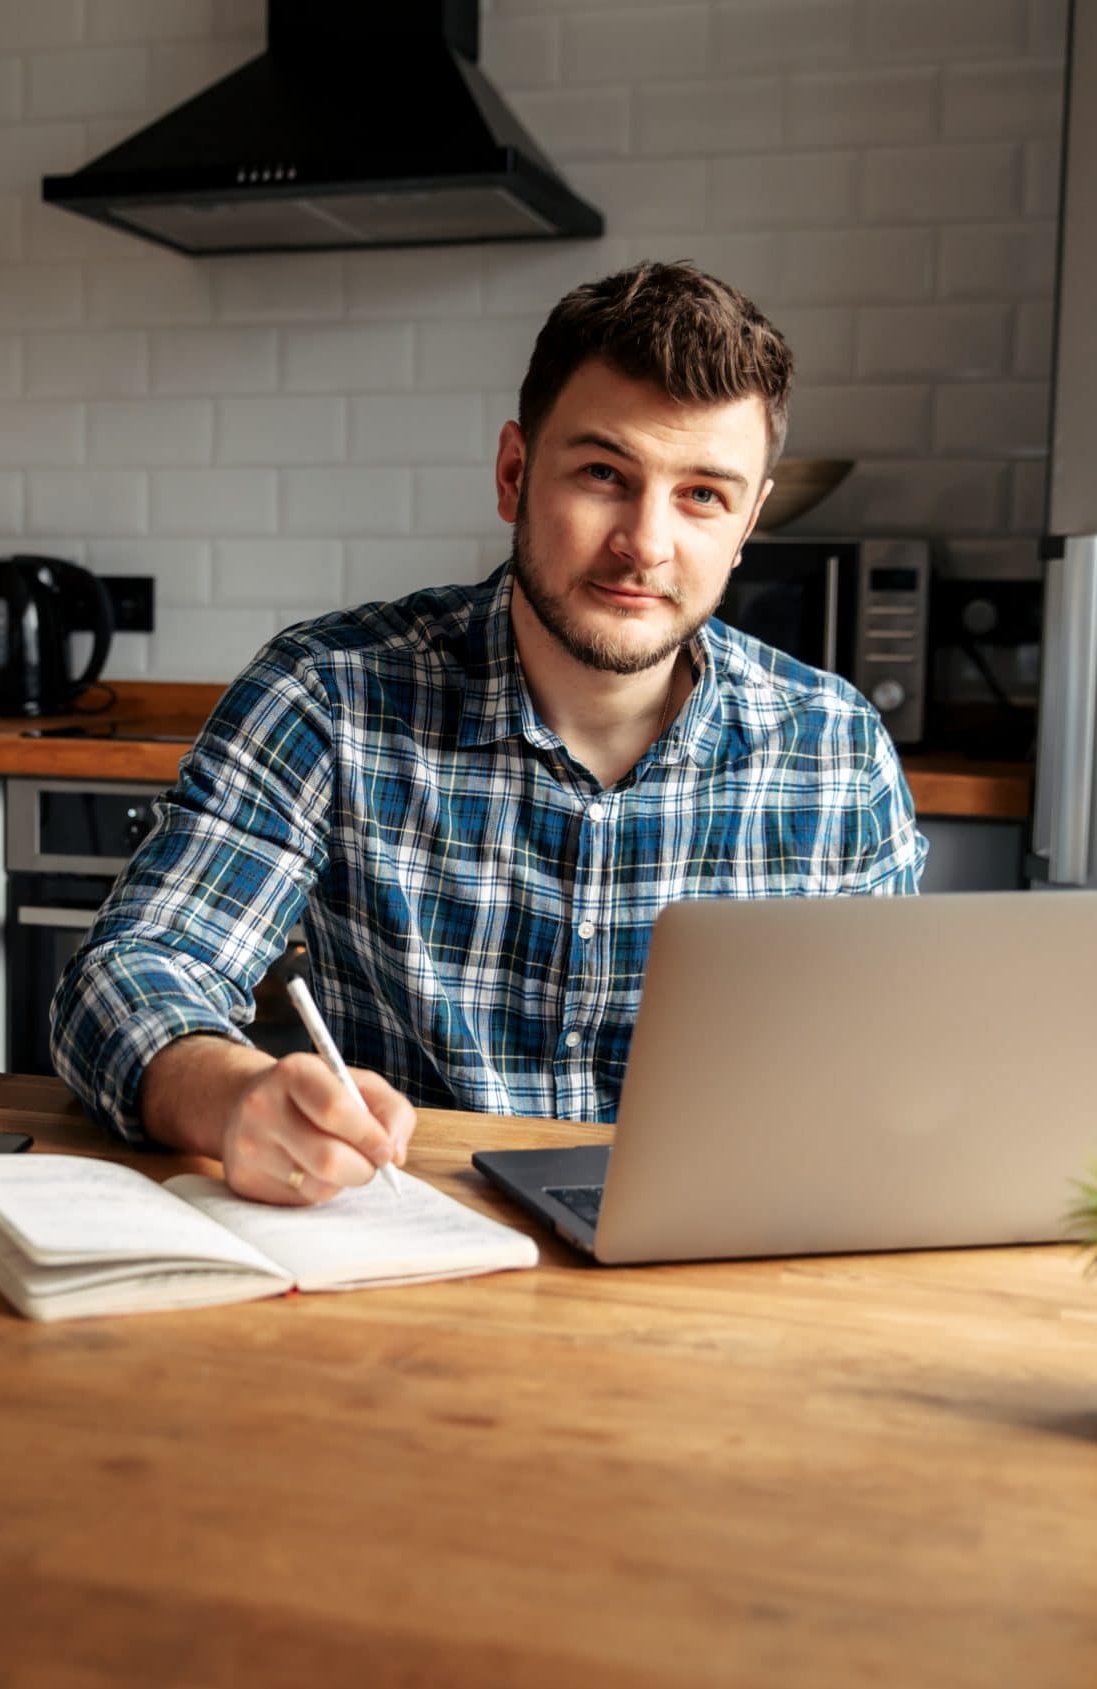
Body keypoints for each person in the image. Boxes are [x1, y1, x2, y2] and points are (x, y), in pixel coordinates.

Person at [50, 261, 928, 1207]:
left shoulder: (835, 750)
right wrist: (232, 1095)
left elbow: (902, 1074)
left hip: (716, 1278)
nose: (645, 542)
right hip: (407, 1255)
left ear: (749, 520)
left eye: (702, 495)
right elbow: (133, 972)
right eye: (603, 474)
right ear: (515, 472)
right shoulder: (330, 695)